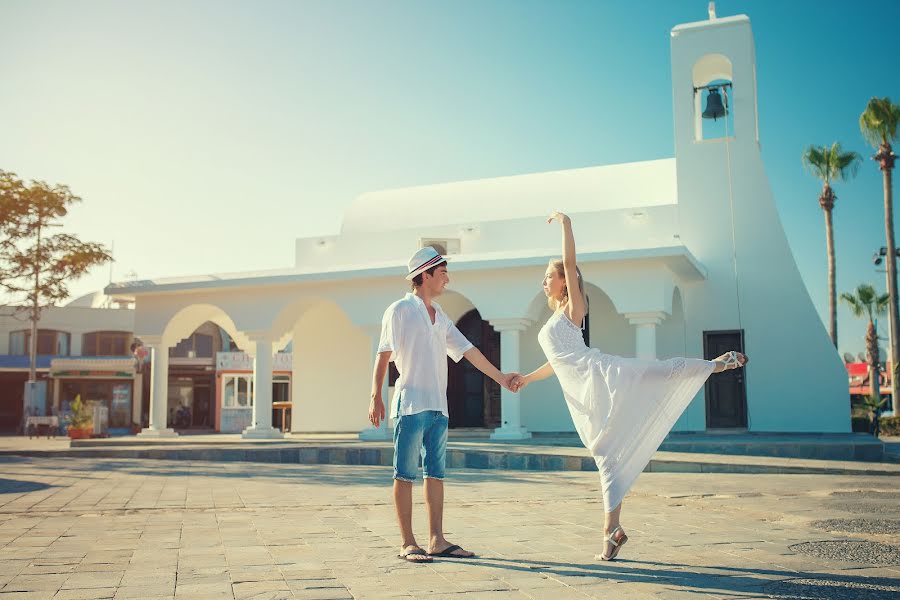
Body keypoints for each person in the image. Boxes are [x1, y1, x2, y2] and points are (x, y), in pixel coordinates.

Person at [511, 212, 748, 561]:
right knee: (606, 455)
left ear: (566, 280)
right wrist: (527, 379)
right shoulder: (554, 320)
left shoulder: (574, 307)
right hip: (582, 394)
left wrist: (566, 225)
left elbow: (572, 262)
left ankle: (715, 364)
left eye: (548, 276)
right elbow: (559, 363)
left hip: (602, 375)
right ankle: (611, 532)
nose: (543, 282)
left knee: (655, 373)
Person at [369, 246, 518, 563]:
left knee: (436, 473)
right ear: (425, 276)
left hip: (439, 409)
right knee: (405, 473)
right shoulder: (399, 310)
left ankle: (437, 540)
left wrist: (502, 378)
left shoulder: (441, 316)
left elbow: (469, 351)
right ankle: (408, 542)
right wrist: (375, 396)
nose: (447, 280)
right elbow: (383, 354)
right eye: (443, 273)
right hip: (409, 405)